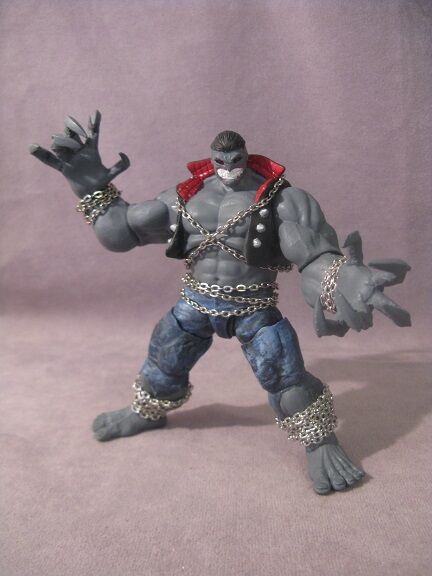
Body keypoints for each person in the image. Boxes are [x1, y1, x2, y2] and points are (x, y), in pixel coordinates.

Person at [30, 111, 410, 494]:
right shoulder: (185, 197)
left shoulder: (282, 200)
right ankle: (146, 411)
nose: (228, 167)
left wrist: (341, 278)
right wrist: (92, 187)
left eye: (235, 159)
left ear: (246, 156)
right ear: (212, 159)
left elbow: (314, 256)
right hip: (194, 302)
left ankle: (321, 444)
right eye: (221, 160)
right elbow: (122, 232)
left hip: (254, 308)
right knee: (164, 356)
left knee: (284, 374)